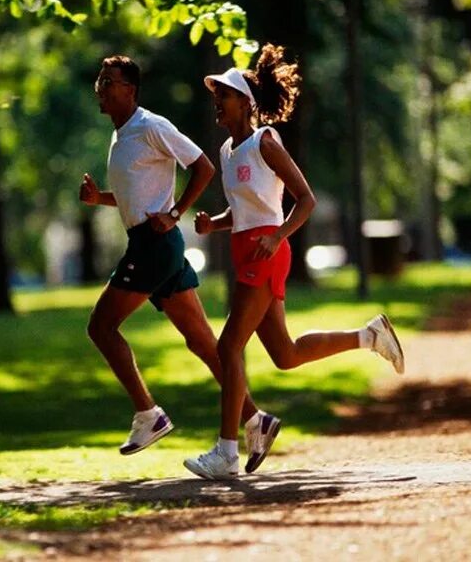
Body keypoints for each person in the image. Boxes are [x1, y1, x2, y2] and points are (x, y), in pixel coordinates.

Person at [183, 45, 405, 480]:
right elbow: (246, 211)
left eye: (225, 93)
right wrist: (215, 225)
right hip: (248, 248)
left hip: (267, 254)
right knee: (284, 354)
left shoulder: (265, 141)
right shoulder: (229, 152)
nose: (218, 99)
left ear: (246, 102)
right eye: (217, 93)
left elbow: (305, 200)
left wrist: (278, 236)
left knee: (227, 347)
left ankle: (227, 451)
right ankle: (369, 336)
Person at [80, 55, 279, 466]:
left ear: (130, 90)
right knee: (205, 344)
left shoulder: (150, 126)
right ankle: (255, 419)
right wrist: (99, 198)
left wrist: (175, 214)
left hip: (154, 246)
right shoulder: (120, 136)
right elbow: (137, 196)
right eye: (100, 79)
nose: (101, 86)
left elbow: (202, 166)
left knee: (101, 326)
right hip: (153, 245)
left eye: (109, 80)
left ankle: (148, 414)